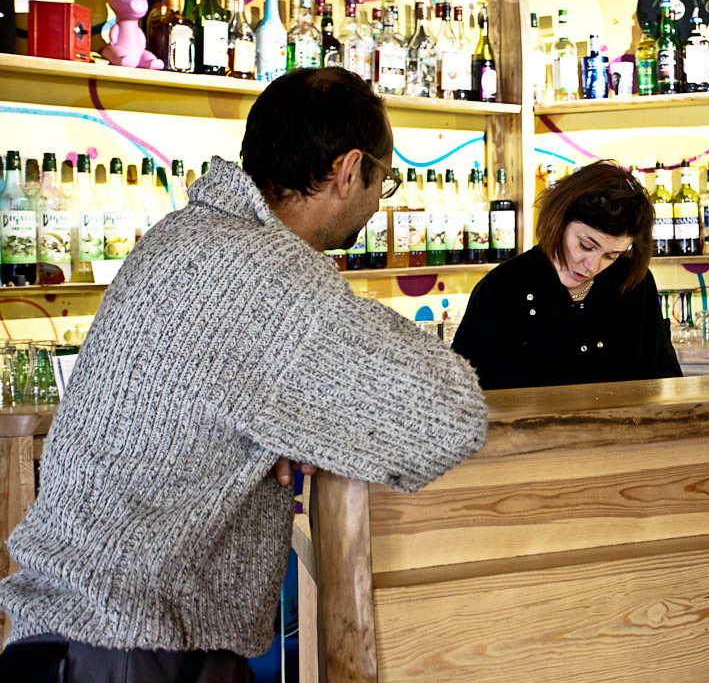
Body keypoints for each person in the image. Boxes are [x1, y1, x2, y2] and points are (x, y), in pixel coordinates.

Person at [0, 67, 489, 681]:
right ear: (347, 170)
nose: (375, 201)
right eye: (382, 183)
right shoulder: (265, 276)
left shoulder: (188, 236)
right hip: (128, 651)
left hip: (80, 640)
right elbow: (451, 414)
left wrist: (303, 430)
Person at [451, 160, 681, 389]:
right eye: (585, 245)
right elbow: (464, 397)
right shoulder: (501, 289)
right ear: (558, 221)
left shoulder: (633, 284)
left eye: (611, 256)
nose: (592, 265)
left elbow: (664, 382)